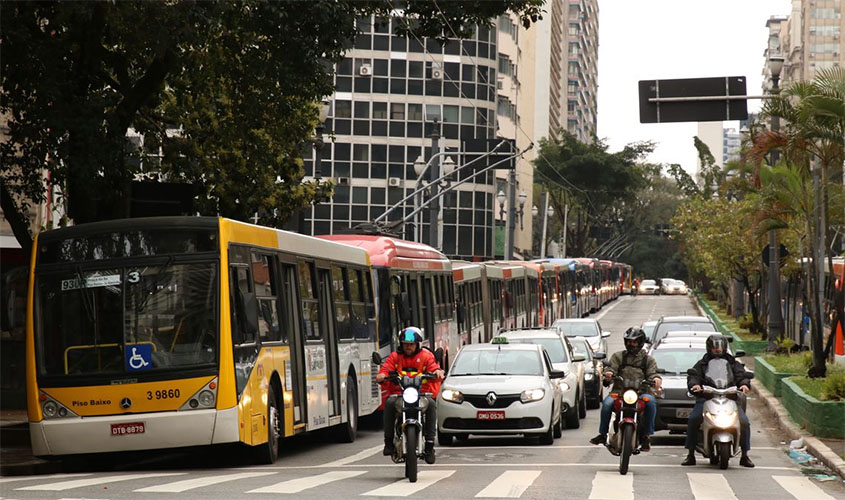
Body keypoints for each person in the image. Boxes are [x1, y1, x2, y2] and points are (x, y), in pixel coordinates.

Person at [682, 335, 754, 467]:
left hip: (730, 398)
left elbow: (741, 376)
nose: (717, 350)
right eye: (714, 347)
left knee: (744, 422)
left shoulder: (733, 363)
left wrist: (744, 384)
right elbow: (693, 377)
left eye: (720, 347)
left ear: (724, 347)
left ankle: (745, 455)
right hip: (706, 398)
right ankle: (690, 454)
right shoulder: (702, 364)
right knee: (693, 419)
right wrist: (695, 385)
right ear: (709, 348)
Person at [376, 327, 445, 464]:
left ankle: (430, 445)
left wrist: (437, 372)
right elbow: (385, 369)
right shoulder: (395, 357)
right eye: (405, 344)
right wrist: (382, 375)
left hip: (421, 394)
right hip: (399, 395)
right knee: (389, 403)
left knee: (431, 404)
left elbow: (433, 367)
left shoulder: (426, 356)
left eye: (411, 344)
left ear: (417, 344)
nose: (408, 347)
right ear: (401, 344)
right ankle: (388, 442)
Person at [589, 327, 662, 451]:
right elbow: (611, 368)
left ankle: (646, 436)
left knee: (651, 403)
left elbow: (652, 373)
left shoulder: (648, 360)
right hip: (619, 393)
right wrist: (609, 374)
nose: (631, 344)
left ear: (640, 342)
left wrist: (656, 379)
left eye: (634, 342)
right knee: (606, 404)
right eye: (629, 341)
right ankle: (602, 434)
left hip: (641, 393)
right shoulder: (618, 356)